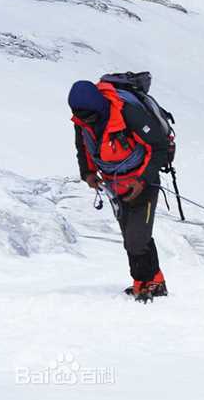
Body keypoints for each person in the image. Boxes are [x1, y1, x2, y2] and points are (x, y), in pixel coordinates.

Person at [68, 79, 170, 302]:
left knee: (136, 239)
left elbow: (159, 147)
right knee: (132, 237)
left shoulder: (128, 113)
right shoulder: (83, 120)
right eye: (82, 117)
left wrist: (142, 180)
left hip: (144, 181)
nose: (87, 121)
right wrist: (88, 173)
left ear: (99, 106)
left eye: (91, 116)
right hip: (114, 184)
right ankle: (150, 282)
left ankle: (148, 283)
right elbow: (83, 147)